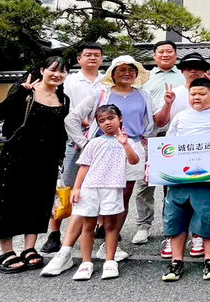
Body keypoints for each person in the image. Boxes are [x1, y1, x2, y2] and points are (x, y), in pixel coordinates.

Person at [65, 54, 160, 263]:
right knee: (90, 196)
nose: (127, 73)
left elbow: (153, 122)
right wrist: (84, 142)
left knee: (122, 198)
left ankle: (110, 243)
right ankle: (69, 249)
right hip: (102, 150)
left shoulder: (144, 95)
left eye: (131, 70)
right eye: (121, 70)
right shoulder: (101, 93)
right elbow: (72, 118)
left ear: (136, 74)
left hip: (130, 146)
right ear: (113, 73)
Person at [42, 104, 141, 281]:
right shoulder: (93, 143)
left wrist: (125, 144)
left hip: (113, 188)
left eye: (111, 118)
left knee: (111, 226)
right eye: (101, 120)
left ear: (120, 119)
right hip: (90, 189)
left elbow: (134, 161)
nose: (107, 123)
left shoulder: (127, 141)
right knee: (88, 226)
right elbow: (84, 167)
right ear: (97, 124)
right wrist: (77, 188)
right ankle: (86, 262)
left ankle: (110, 261)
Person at [0, 58, 69, 274]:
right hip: (17, 156)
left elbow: (60, 130)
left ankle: (30, 248)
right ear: (42, 71)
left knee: (38, 202)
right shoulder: (25, 92)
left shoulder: (62, 98)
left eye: (62, 71)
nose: (57, 74)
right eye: (53, 70)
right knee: (7, 201)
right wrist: (19, 94)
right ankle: (6, 251)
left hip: (46, 159)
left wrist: (60, 157)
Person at [161, 78, 210, 282]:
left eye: (202, 93)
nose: (197, 97)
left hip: (209, 178)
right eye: (193, 94)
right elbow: (167, 145)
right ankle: (176, 261)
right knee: (176, 218)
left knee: (209, 217)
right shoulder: (180, 117)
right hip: (179, 177)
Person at [152, 51, 210, 259]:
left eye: (198, 66)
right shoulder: (174, 91)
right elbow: (162, 123)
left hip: (208, 155)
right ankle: (172, 237)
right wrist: (168, 103)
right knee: (173, 198)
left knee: (204, 198)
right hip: (177, 155)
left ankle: (198, 235)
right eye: (189, 67)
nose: (193, 70)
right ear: (182, 71)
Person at [42, 43, 104, 254]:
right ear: (79, 59)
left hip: (99, 141)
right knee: (65, 187)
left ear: (102, 59)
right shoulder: (69, 80)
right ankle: (54, 232)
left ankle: (100, 225)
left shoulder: (107, 81)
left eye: (97, 55)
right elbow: (62, 107)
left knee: (99, 185)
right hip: (71, 139)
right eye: (88, 55)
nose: (92, 58)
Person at [134, 40, 186, 245]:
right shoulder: (143, 78)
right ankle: (143, 225)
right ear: (154, 56)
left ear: (176, 55)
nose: (165, 55)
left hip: (176, 134)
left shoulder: (183, 76)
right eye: (161, 52)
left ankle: (170, 225)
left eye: (169, 52)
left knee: (172, 182)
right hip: (150, 134)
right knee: (144, 181)